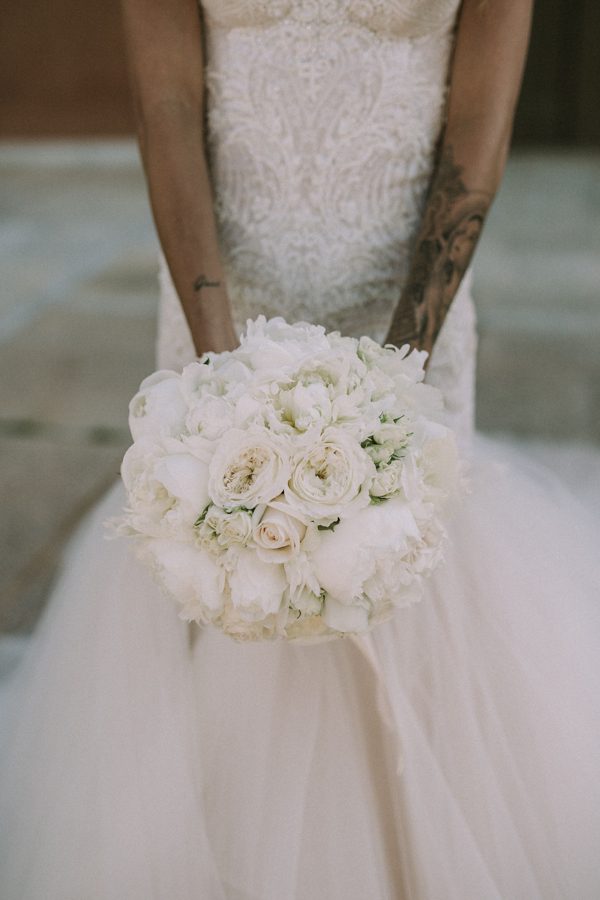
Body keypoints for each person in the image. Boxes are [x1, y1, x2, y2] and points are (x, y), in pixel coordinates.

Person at [1, 1, 599, 897]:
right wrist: (221, 382)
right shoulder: (217, 354)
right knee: (223, 566)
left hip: (405, 303)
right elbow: (163, 100)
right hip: (224, 297)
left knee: (408, 568)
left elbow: (480, 121)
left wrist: (395, 387)